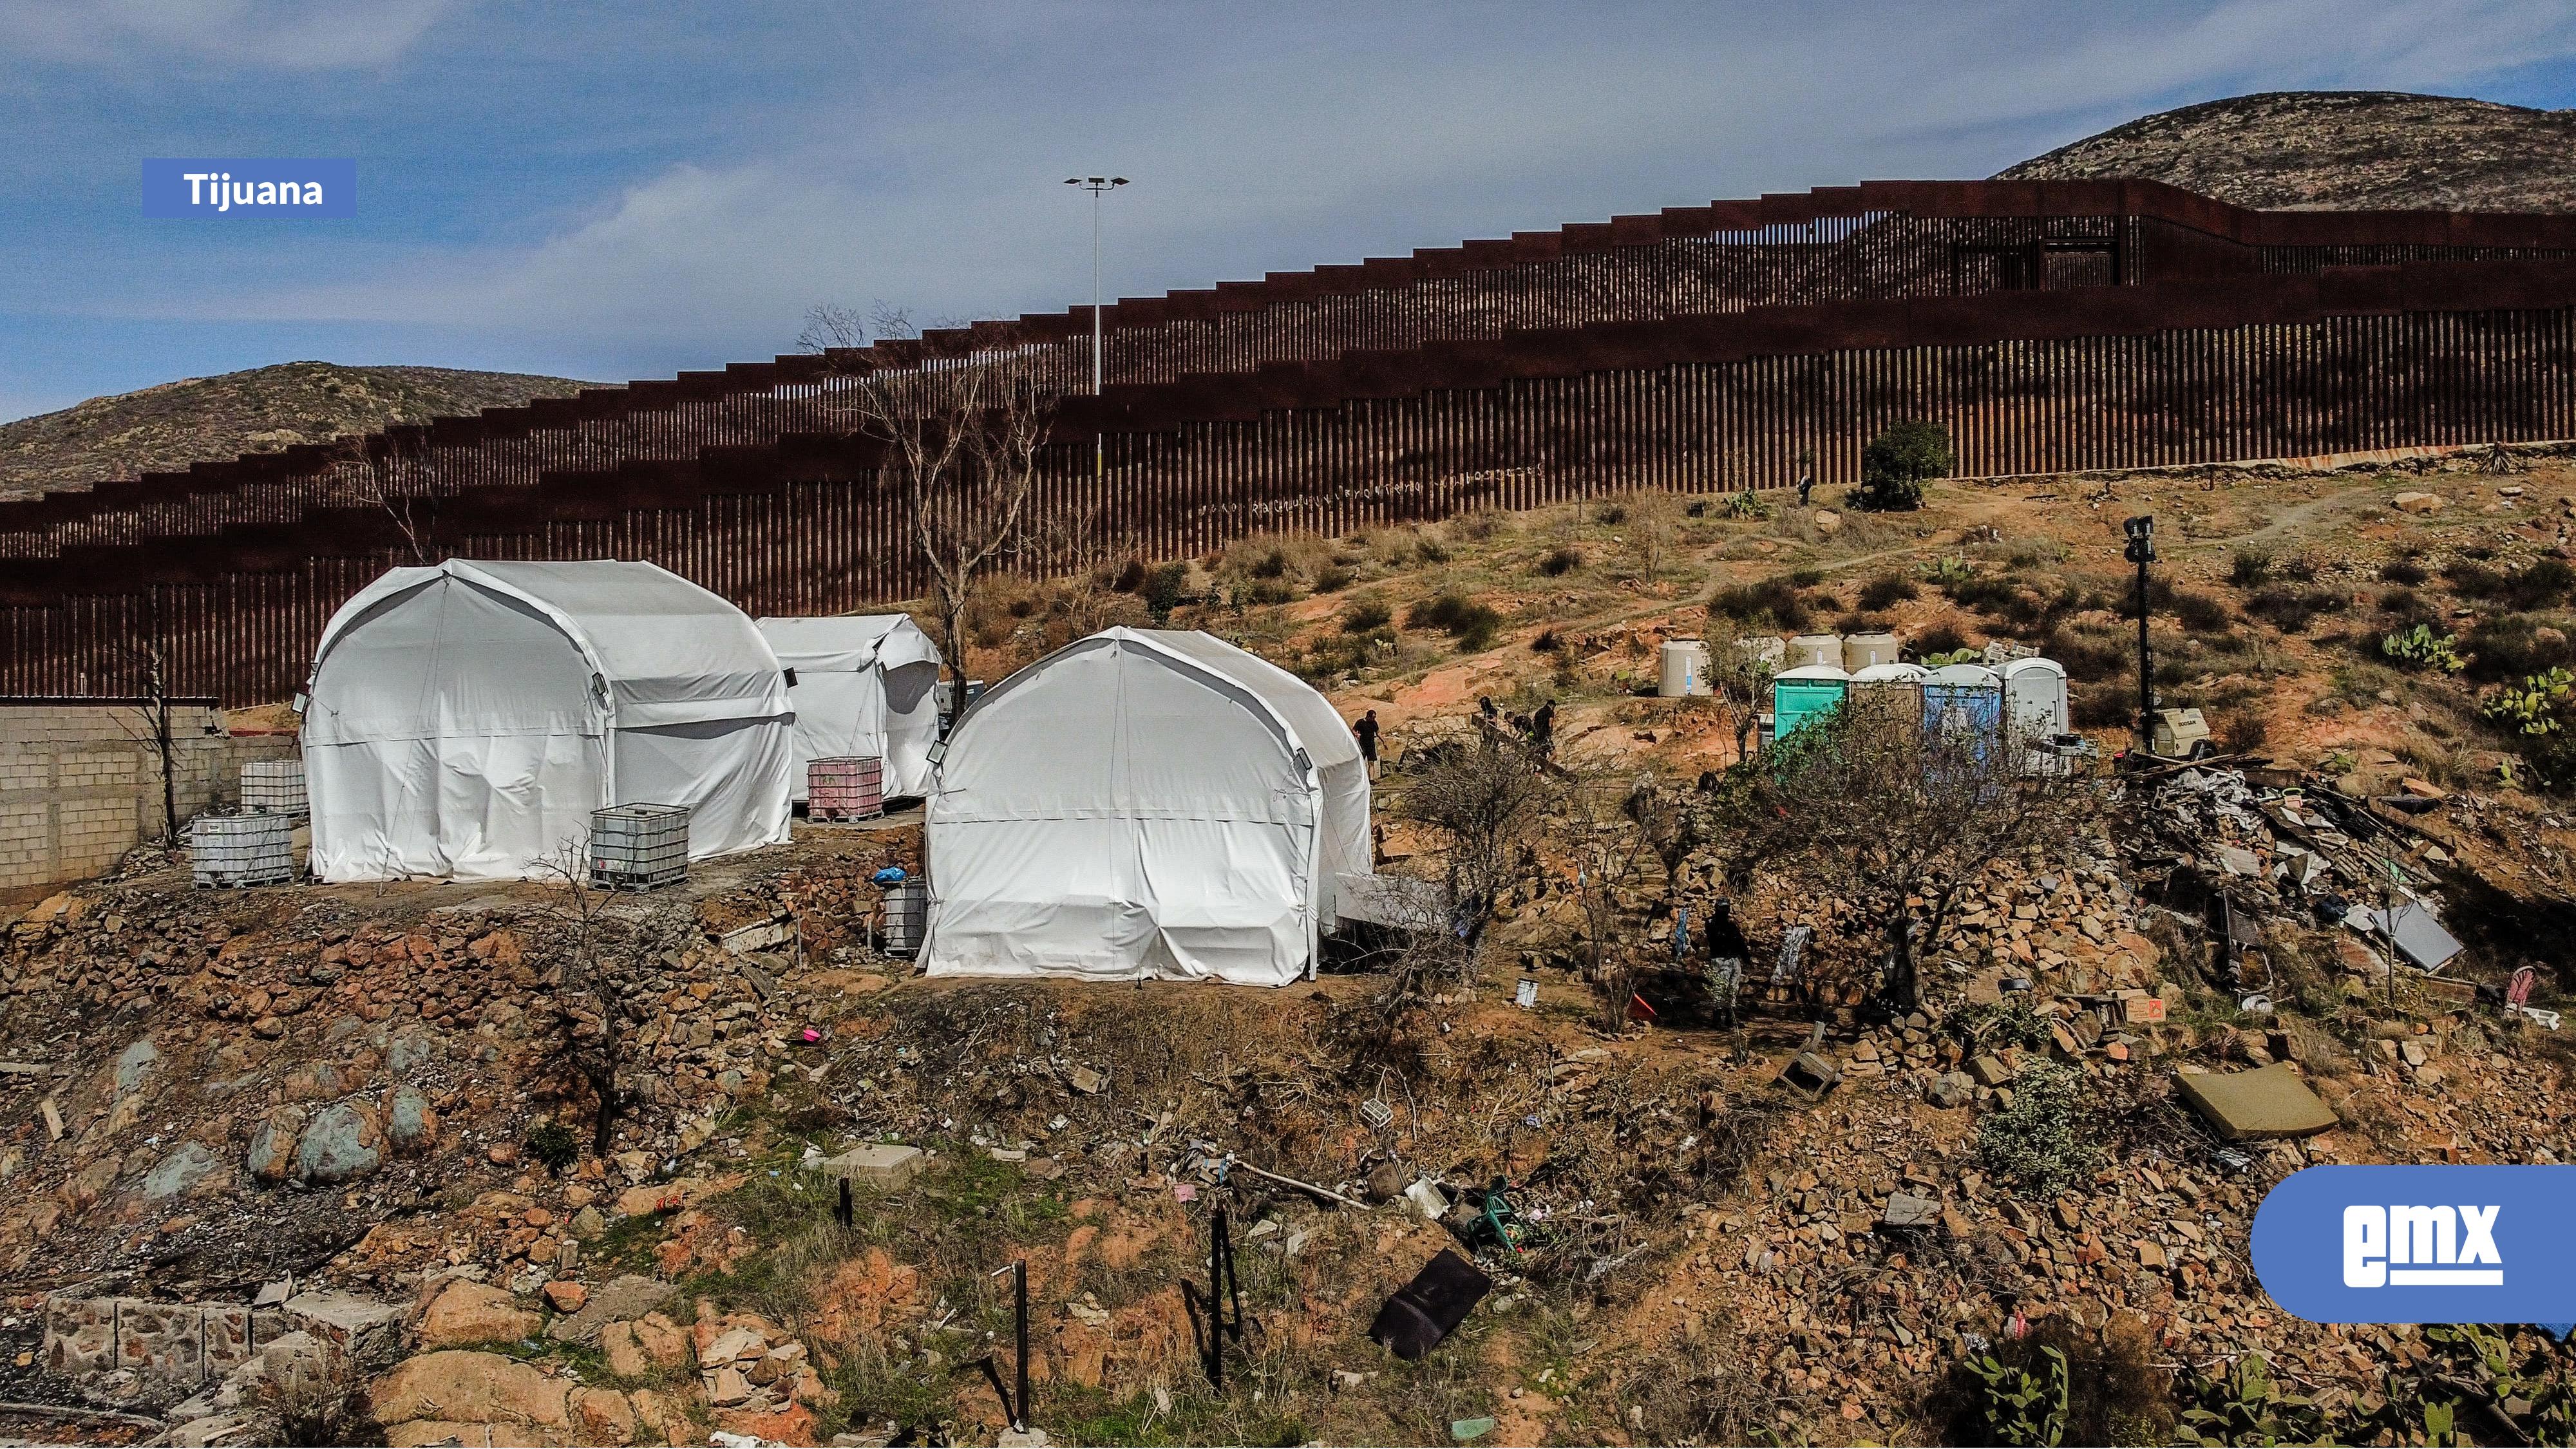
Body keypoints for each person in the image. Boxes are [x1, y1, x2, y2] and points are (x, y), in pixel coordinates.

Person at [1354, 708, 1381, 781]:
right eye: (1373, 717)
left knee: (1371, 763)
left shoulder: (1374, 723)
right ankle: (1360, 779)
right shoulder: (1360, 722)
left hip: (1371, 745)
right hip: (1362, 745)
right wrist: (1356, 735)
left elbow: (1378, 733)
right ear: (1368, 716)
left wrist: (1384, 741)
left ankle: (1371, 779)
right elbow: (1354, 730)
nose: (1374, 719)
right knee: (1361, 762)